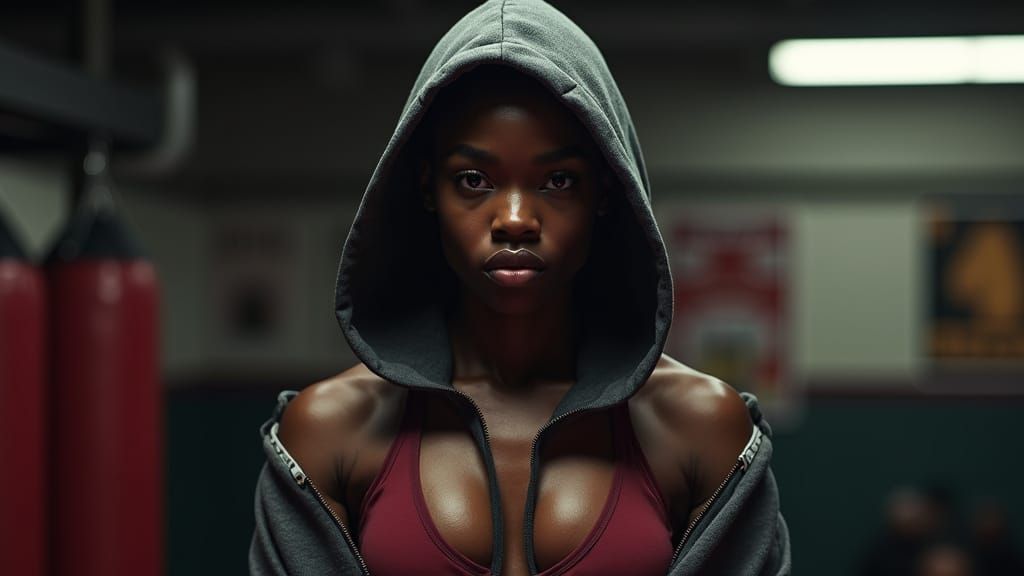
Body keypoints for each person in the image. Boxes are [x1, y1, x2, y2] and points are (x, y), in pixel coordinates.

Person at [249, 1, 789, 574]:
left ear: (606, 193)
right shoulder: (332, 430)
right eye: (473, 180)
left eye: (557, 180)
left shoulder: (698, 426)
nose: (513, 217)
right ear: (428, 189)